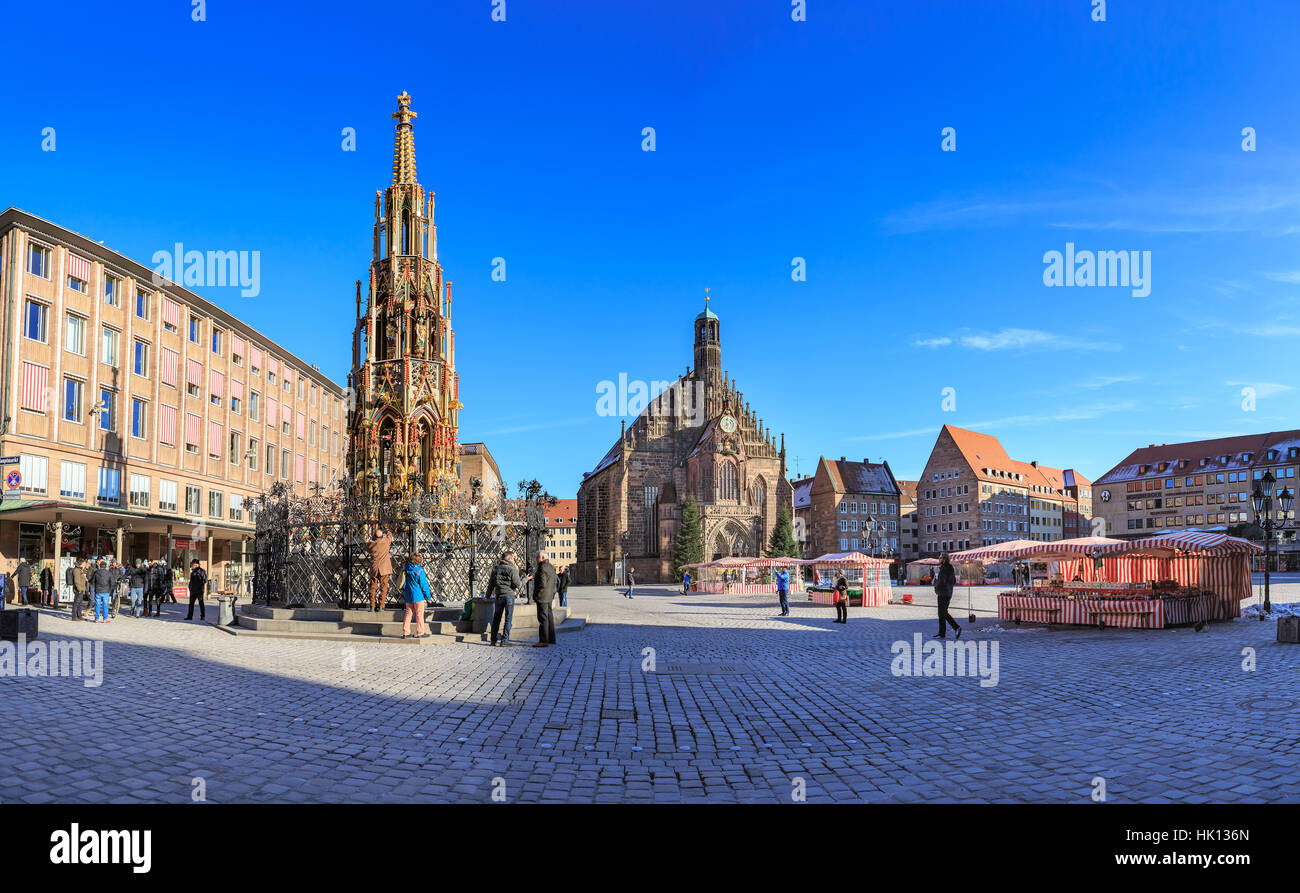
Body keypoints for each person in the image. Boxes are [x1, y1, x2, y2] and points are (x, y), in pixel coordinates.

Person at [488, 550, 523, 647]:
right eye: (513, 557)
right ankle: (505, 640)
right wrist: (525, 579)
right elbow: (518, 584)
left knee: (496, 619)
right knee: (508, 619)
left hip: (499, 596)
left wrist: (487, 596)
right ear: (511, 558)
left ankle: (493, 640)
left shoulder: (495, 569)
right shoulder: (512, 569)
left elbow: (491, 584)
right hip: (509, 596)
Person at [401, 552, 431, 638]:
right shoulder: (419, 570)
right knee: (419, 615)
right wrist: (428, 597)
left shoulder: (406, 568)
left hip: (408, 595)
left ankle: (405, 632)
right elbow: (424, 585)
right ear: (418, 561)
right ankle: (420, 632)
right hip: (418, 596)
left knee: (408, 614)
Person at [532, 550, 557, 647]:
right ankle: (551, 638)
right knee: (549, 618)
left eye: (537, 557)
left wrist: (536, 593)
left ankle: (543, 640)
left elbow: (542, 583)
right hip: (549, 596)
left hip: (542, 596)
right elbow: (555, 581)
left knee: (543, 619)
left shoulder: (542, 568)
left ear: (542, 558)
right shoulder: (550, 567)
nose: (536, 559)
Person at [934, 552, 961, 639]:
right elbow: (953, 581)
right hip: (947, 592)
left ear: (944, 559)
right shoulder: (949, 568)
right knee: (941, 613)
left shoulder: (945, 568)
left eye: (940, 558)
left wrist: (936, 585)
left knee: (943, 613)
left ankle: (956, 627)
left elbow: (942, 581)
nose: (939, 559)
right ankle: (942, 633)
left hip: (943, 593)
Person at [367, 525, 393, 612]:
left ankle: (372, 605)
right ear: (382, 536)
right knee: (384, 587)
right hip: (384, 568)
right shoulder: (386, 541)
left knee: (373, 587)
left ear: (374, 536)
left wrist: (372, 539)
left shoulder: (371, 544)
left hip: (374, 568)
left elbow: (367, 547)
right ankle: (381, 605)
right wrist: (386, 530)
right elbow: (390, 536)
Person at [90, 559, 113, 623]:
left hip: (98, 591)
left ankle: (96, 619)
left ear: (100, 566)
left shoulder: (96, 572)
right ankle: (105, 619)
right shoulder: (109, 573)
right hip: (106, 591)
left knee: (97, 604)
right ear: (105, 566)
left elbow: (92, 581)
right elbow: (112, 582)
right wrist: (111, 589)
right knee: (105, 605)